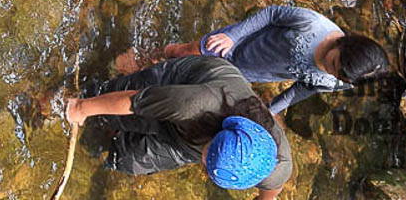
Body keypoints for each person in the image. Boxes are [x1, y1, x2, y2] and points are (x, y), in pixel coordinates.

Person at [65, 55, 293, 198]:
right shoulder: (196, 104)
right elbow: (134, 101)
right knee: (109, 102)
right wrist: (81, 108)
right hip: (183, 82)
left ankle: (104, 142)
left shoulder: (275, 165)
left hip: (188, 140)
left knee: (128, 161)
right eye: (208, 158)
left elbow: (272, 189)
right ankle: (116, 78)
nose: (203, 166)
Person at [158, 5, 389, 115]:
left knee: (195, 85)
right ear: (344, 44)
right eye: (335, 65)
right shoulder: (311, 25)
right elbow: (271, 15)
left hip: (247, 73)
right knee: (184, 53)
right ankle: (156, 56)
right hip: (236, 43)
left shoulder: (343, 79)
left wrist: (272, 110)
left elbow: (303, 89)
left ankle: (159, 84)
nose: (331, 72)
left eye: (337, 75)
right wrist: (232, 35)